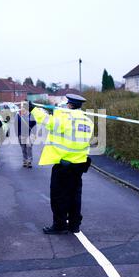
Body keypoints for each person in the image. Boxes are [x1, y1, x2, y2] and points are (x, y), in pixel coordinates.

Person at [29, 94, 94, 234]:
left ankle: (59, 225)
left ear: (70, 105)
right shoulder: (88, 121)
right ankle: (74, 225)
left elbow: (47, 121)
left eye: (66, 105)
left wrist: (33, 109)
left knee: (59, 196)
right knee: (75, 196)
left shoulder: (66, 118)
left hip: (64, 166)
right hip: (80, 165)